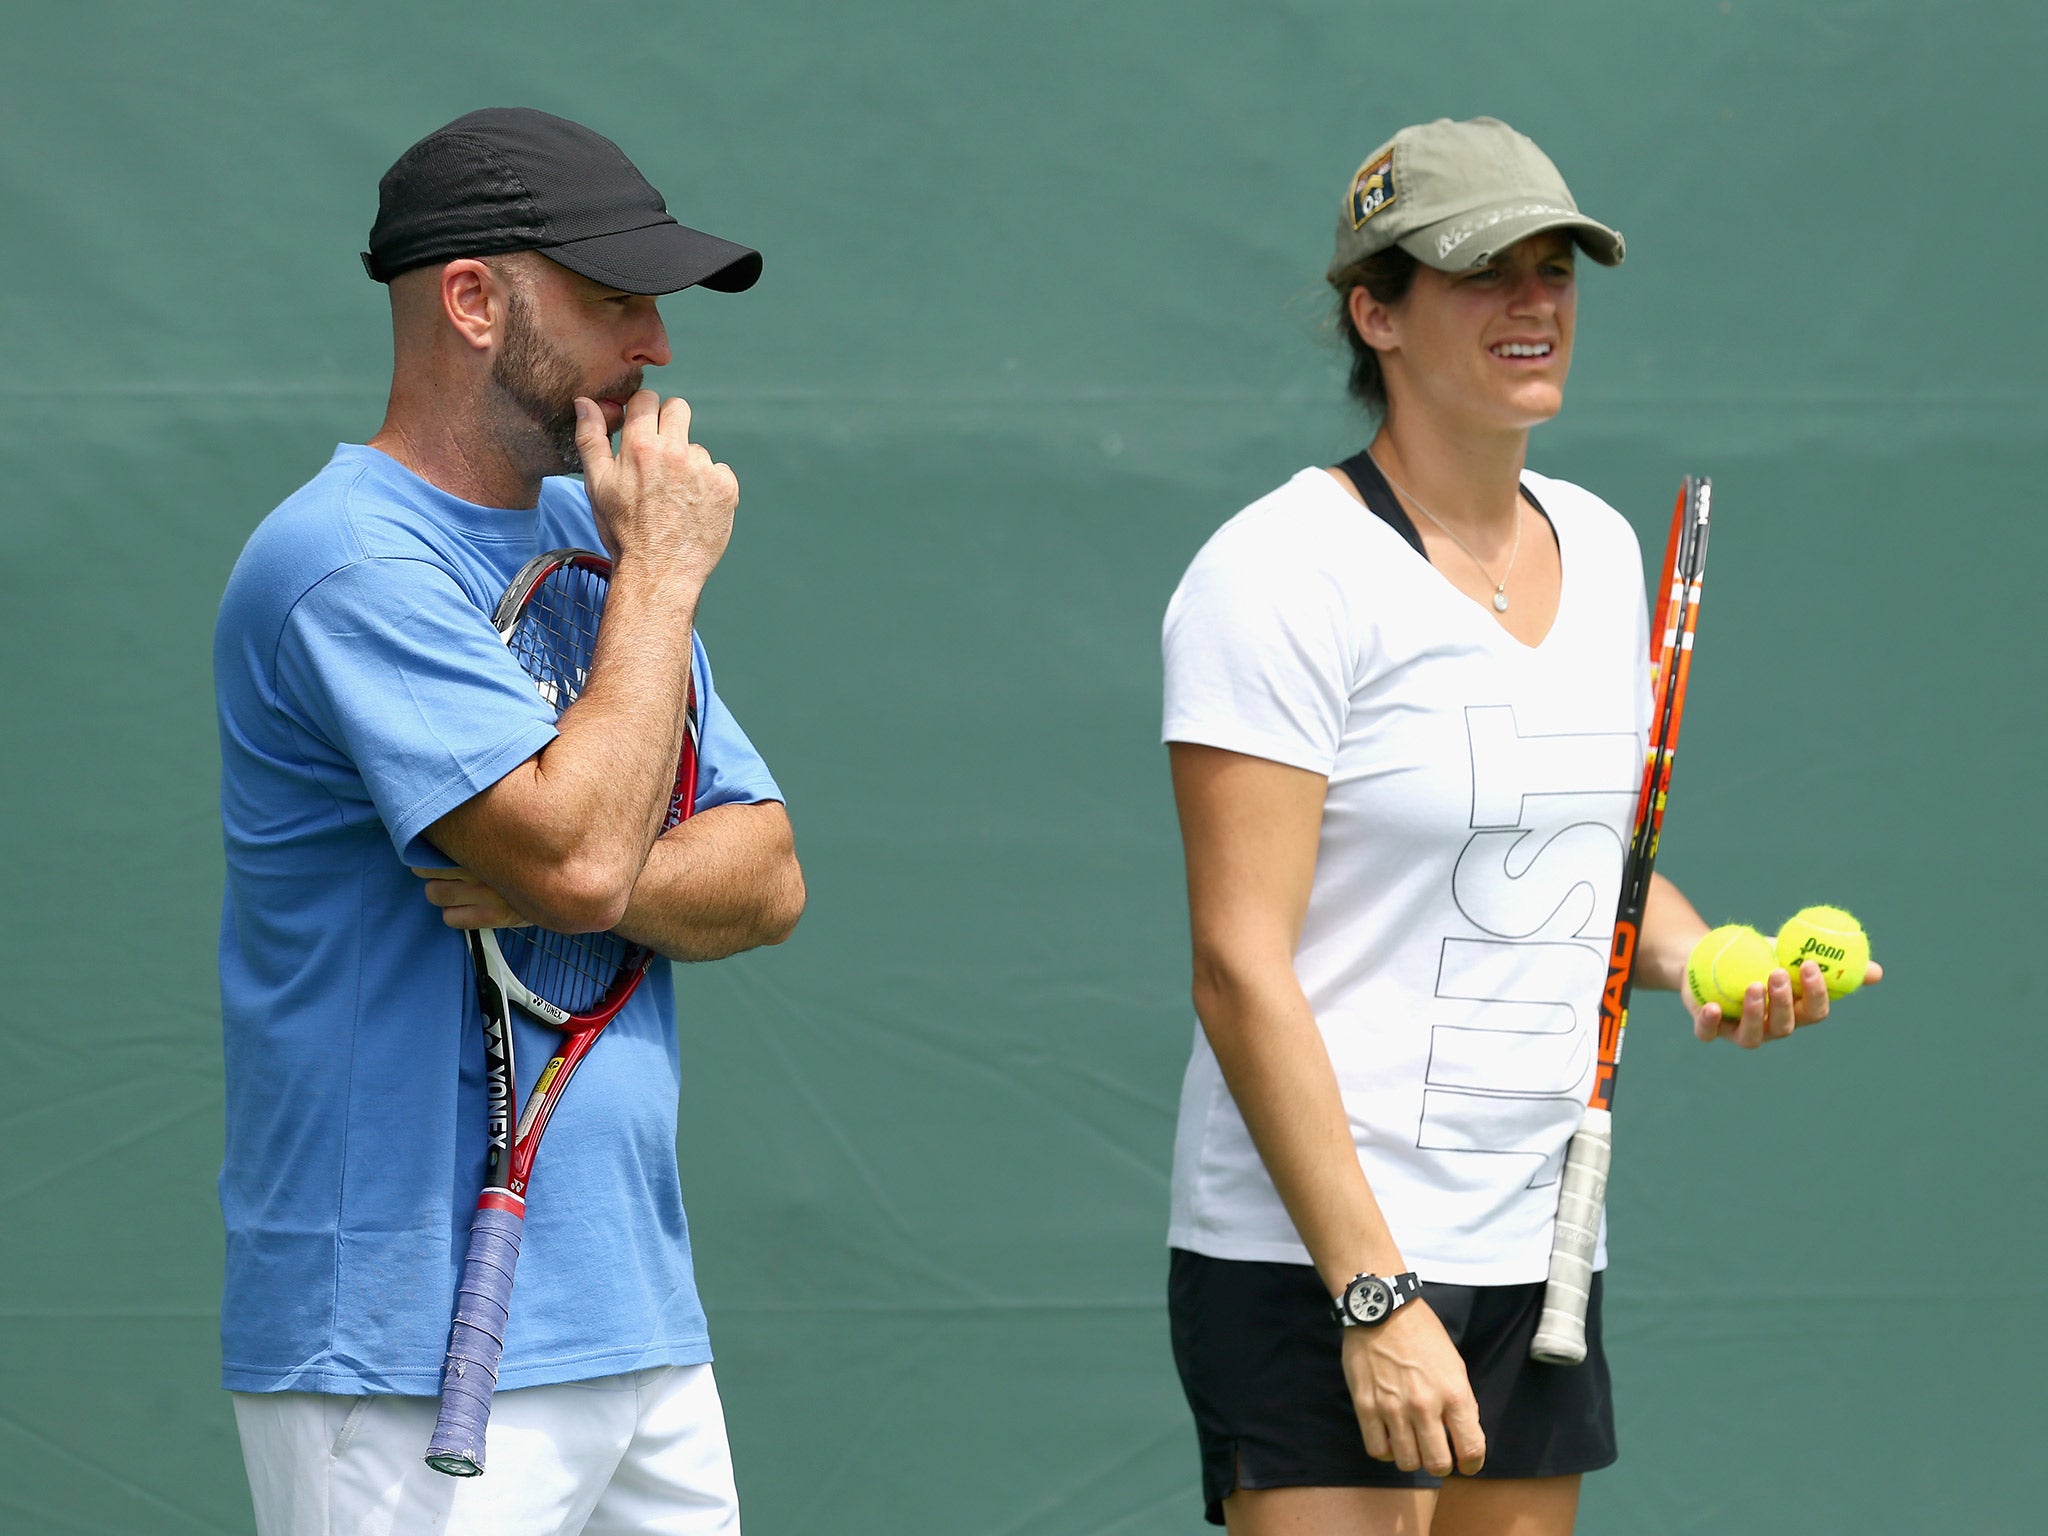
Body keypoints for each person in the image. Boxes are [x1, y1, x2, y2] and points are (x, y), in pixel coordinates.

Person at [1159, 117, 1880, 1536]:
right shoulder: (1279, 574)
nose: (1533, 302)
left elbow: (1588, 866)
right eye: (1484, 270)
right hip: (1316, 1255)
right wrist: (1372, 1293)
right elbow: (1239, 965)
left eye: (1555, 269)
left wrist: (1714, 958)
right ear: (1378, 312)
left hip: (1540, 1238)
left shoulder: (1604, 550)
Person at [213, 108, 805, 1535]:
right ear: (473, 302)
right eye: (613, 301)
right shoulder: (342, 562)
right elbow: (585, 857)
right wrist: (656, 590)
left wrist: (596, 870)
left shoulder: (594, 545)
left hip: (641, 1328)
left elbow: (767, 875)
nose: (655, 343)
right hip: (402, 1346)